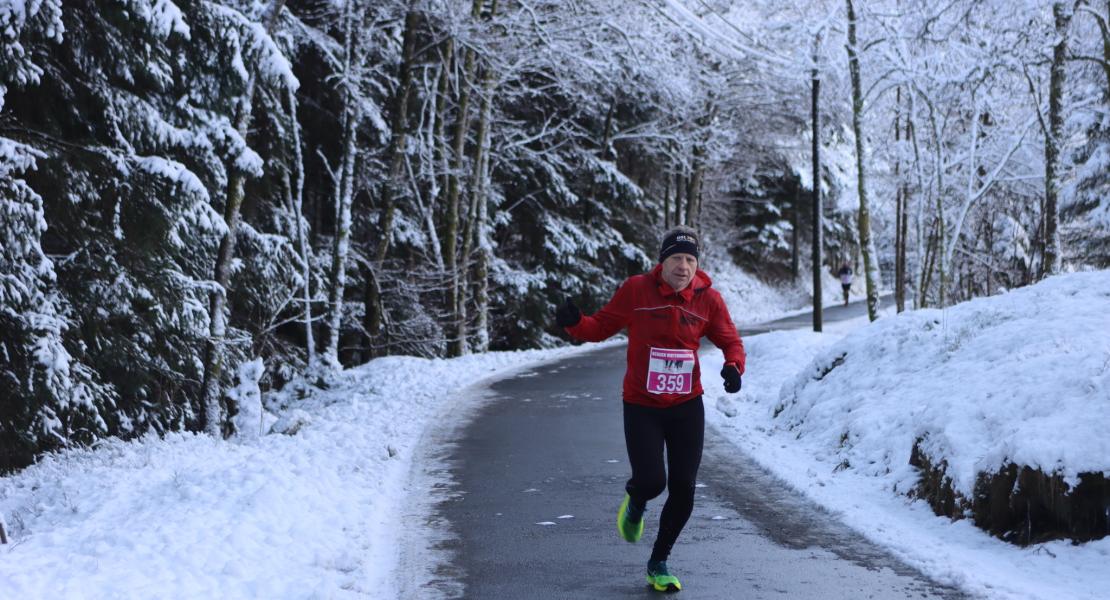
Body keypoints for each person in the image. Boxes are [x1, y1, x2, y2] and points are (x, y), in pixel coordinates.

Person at [554, 225, 745, 593]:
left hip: (687, 404)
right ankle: (637, 501)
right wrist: (574, 323)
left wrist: (733, 367)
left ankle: (659, 561)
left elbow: (730, 341)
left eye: (690, 259)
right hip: (642, 404)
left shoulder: (709, 300)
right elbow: (600, 326)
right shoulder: (636, 290)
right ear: (663, 261)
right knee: (652, 481)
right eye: (677, 258)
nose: (684, 266)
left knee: (684, 488)